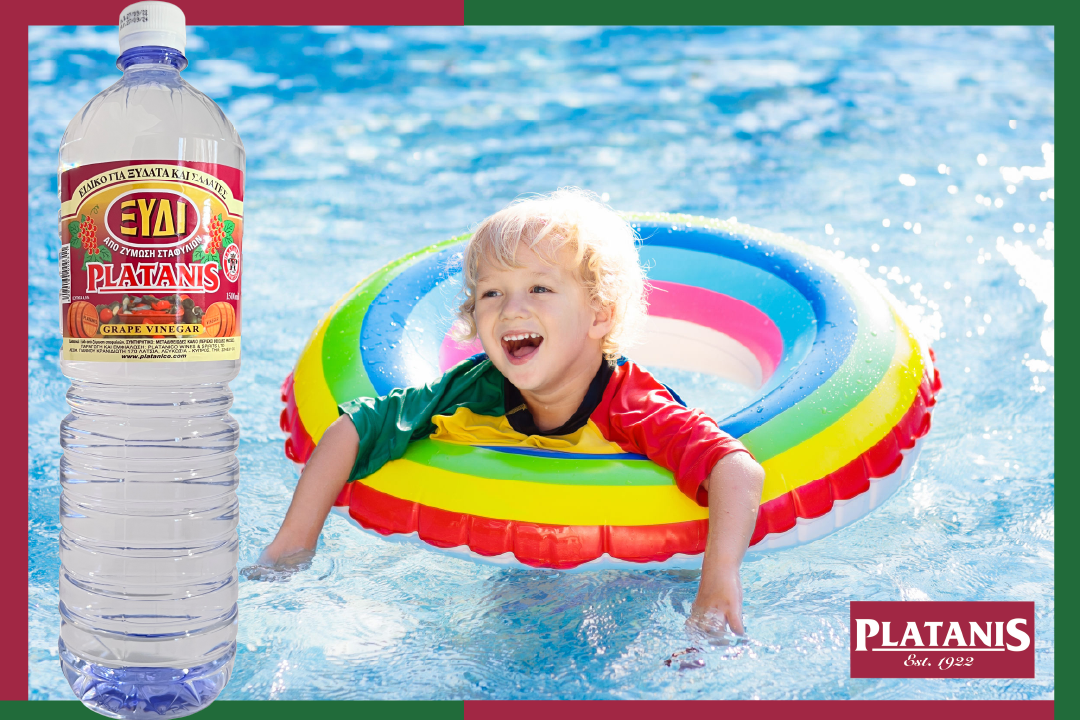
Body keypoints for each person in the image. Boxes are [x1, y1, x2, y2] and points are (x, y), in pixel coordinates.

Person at [257, 189, 766, 635]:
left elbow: (736, 469)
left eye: (540, 288)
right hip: (524, 566)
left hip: (636, 570)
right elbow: (356, 426)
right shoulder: (477, 386)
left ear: (600, 313)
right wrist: (292, 547)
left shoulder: (631, 404)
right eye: (491, 293)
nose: (511, 309)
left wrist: (718, 582)